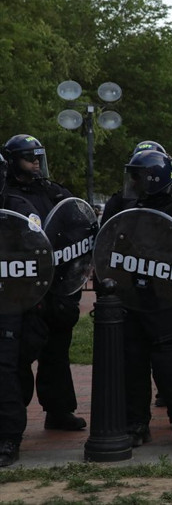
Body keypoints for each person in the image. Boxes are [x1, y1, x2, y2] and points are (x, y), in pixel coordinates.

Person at [104, 141, 172, 412]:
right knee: (133, 360)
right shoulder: (121, 202)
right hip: (131, 292)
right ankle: (137, 422)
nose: (133, 180)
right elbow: (105, 243)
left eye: (138, 174)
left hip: (169, 291)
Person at [1, 134, 86, 433]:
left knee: (56, 352)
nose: (36, 164)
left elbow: (77, 226)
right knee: (19, 355)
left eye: (39, 158)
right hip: (20, 288)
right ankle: (14, 419)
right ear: (12, 163)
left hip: (56, 286)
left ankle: (59, 410)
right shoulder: (5, 194)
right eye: (29, 158)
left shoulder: (52, 191)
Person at [0, 151, 51, 467]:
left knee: (5, 368)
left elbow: (40, 254)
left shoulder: (17, 208)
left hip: (9, 301)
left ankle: (8, 437)